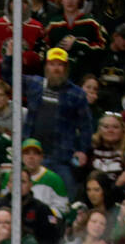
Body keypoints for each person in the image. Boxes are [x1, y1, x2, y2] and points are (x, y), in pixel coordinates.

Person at [21, 47, 92, 189]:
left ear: (66, 68)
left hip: (62, 157)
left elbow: (86, 126)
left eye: (60, 65)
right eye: (52, 64)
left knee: (65, 198)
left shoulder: (77, 93)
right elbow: (8, 76)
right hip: (32, 154)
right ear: (46, 66)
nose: (56, 68)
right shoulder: (34, 84)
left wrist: (83, 150)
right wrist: (10, 56)